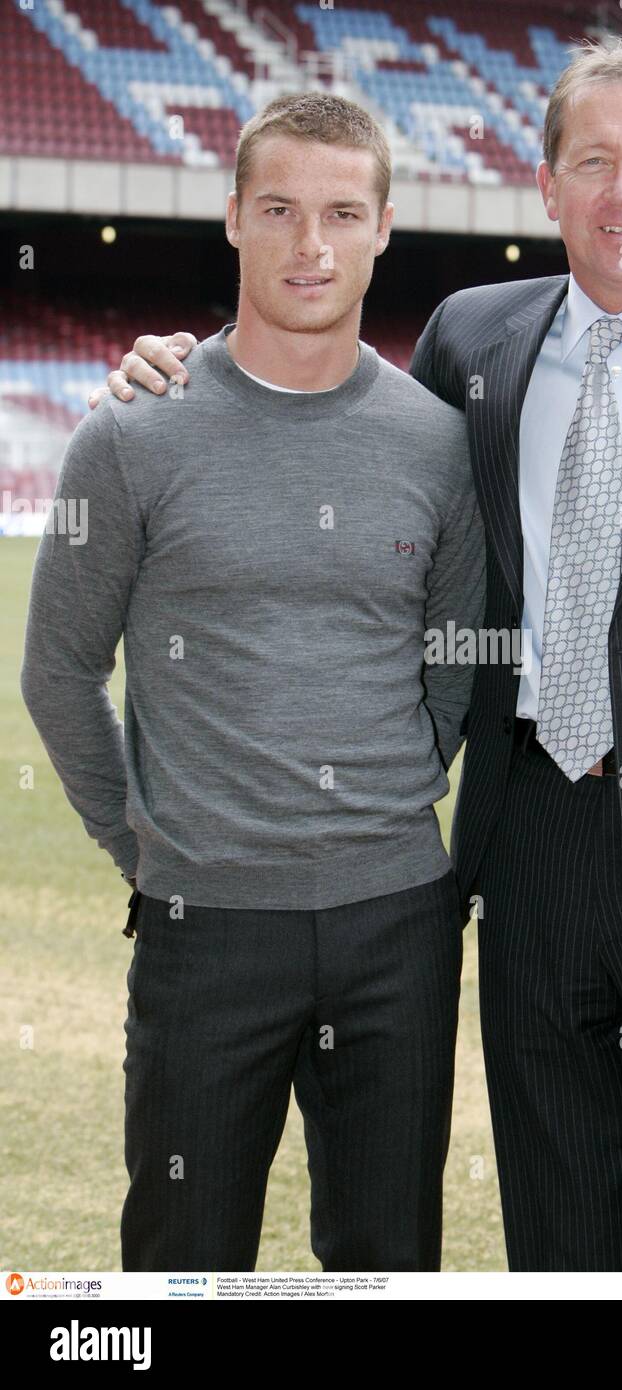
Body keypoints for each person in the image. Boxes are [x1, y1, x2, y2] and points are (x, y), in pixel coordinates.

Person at [92, 37, 622, 1272]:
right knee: (561, 1223)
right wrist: (180, 371)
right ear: (544, 185)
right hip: (530, 847)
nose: (620, 192)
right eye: (592, 162)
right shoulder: (476, 343)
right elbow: (337, 435)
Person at [23, 92, 485, 1273]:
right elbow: (60, 669)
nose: (310, 246)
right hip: (204, 924)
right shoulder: (134, 431)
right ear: (231, 217)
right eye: (278, 209)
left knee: (386, 1256)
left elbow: (455, 660)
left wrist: (383, 799)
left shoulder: (435, 441)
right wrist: (147, 843)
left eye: (341, 212)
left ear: (385, 227)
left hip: (397, 923)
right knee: (184, 1253)